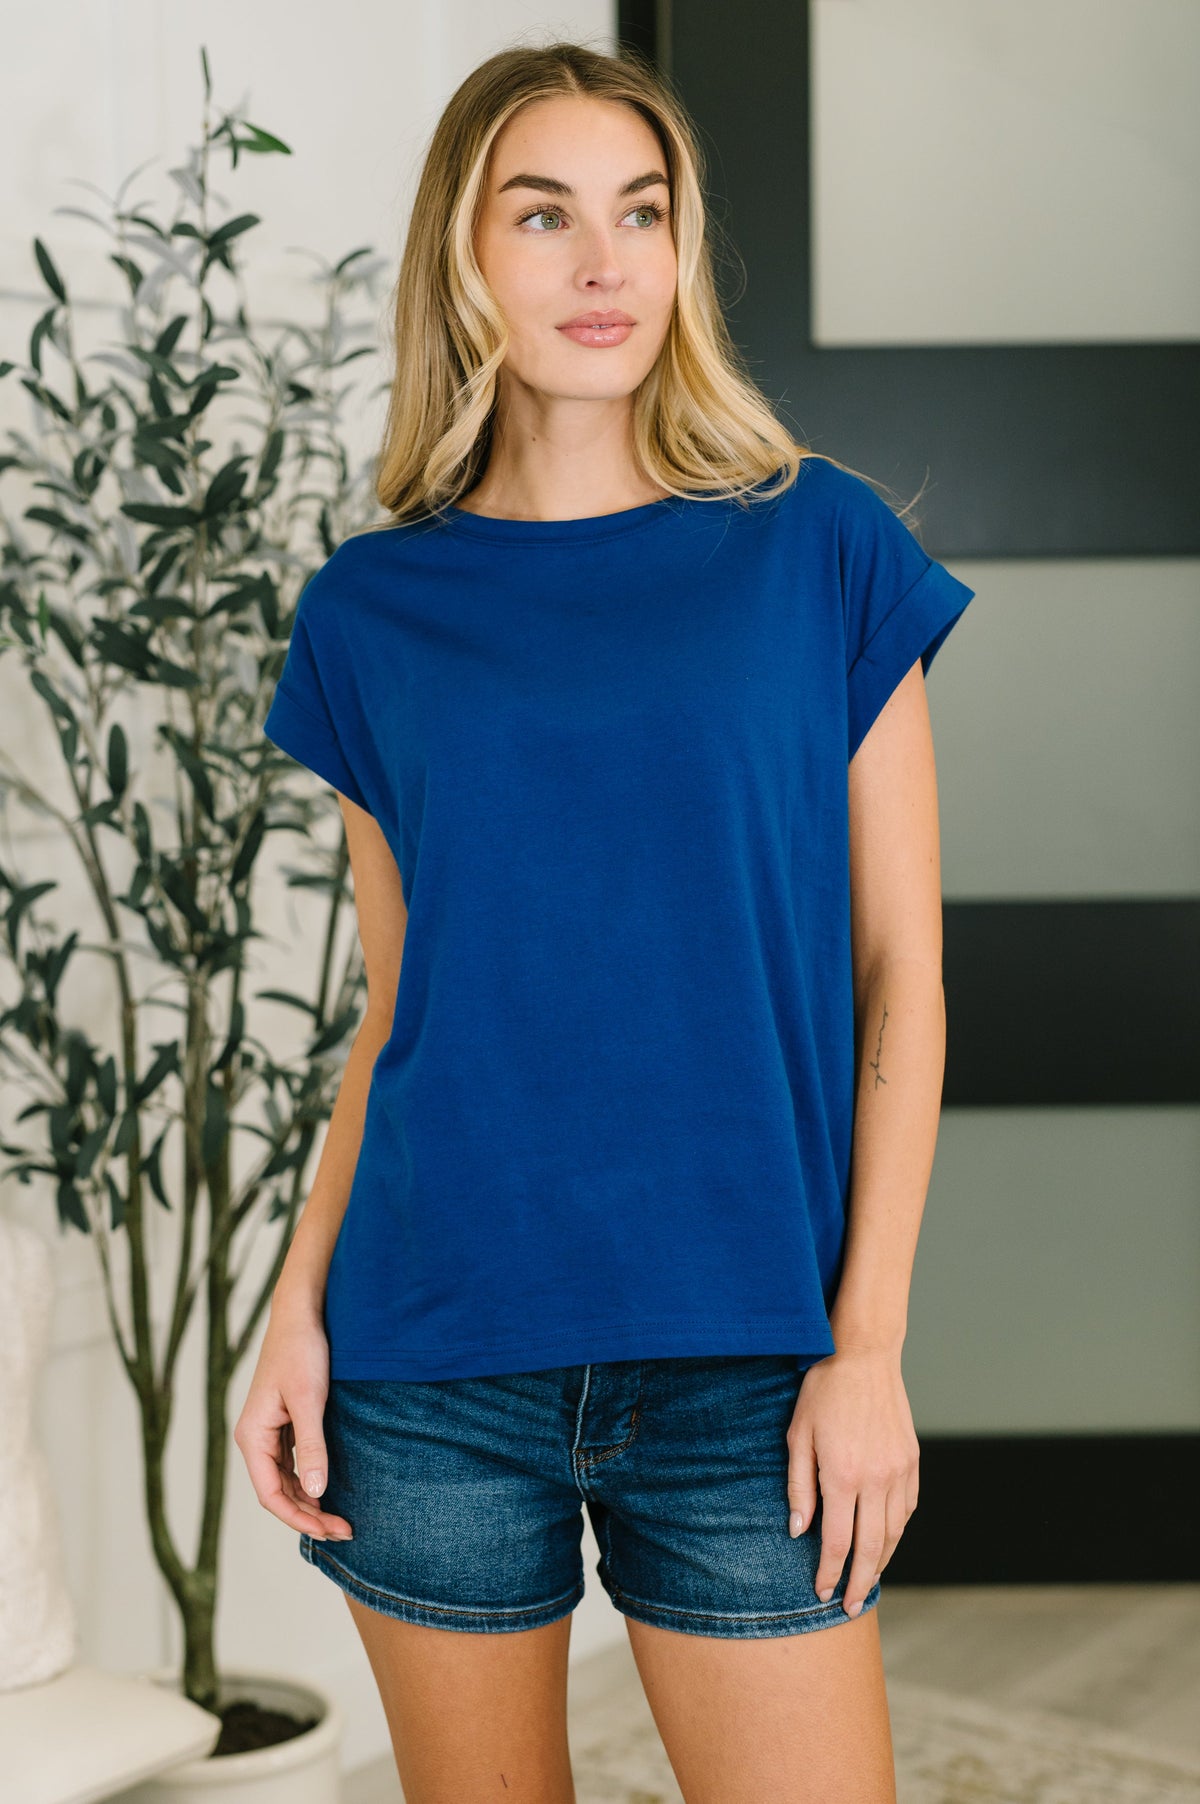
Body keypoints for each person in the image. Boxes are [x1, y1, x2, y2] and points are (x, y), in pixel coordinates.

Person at [235, 36, 976, 1804]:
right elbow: (400, 1008)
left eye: (641, 215)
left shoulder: (822, 550)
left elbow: (903, 979)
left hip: (749, 1359)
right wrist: (293, 1306)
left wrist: (866, 1341)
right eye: (545, 214)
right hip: (434, 1361)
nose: (603, 262)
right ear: (465, 259)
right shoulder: (372, 609)